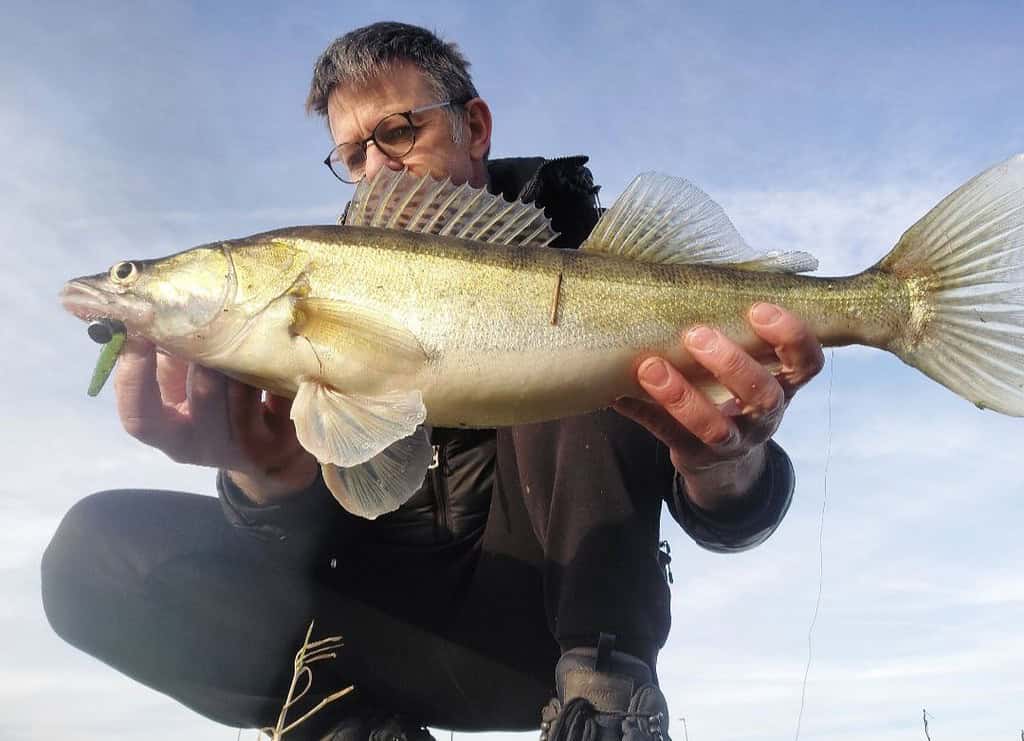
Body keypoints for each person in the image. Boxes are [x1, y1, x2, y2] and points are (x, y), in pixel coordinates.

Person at [41, 21, 824, 741]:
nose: (378, 164)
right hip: (391, 641)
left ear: (473, 125)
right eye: (354, 154)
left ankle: (607, 707)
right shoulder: (296, 314)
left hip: (564, 632)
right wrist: (265, 479)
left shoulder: (613, 266)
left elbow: (733, 514)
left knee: (577, 316)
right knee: (92, 552)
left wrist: (726, 464)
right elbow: (324, 531)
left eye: (399, 129)